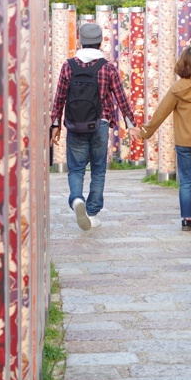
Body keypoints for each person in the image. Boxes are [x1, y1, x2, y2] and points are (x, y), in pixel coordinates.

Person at [51, 22, 137, 230]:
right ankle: (92, 212)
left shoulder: (68, 66)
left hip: (75, 124)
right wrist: (130, 123)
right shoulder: (107, 67)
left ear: (80, 41)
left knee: (76, 169)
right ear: (100, 42)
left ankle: (77, 199)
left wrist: (55, 124)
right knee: (98, 170)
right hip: (100, 123)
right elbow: (121, 97)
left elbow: (60, 96)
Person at [130, 46, 191, 231]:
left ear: (181, 64)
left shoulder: (176, 89)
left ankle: (187, 220)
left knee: (186, 181)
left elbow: (161, 113)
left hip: (184, 142)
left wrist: (145, 132)